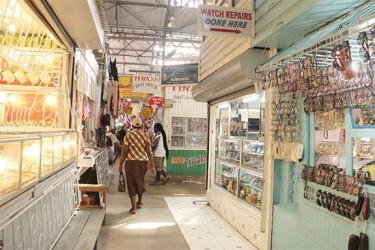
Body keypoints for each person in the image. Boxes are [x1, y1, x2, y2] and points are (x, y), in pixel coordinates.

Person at [119, 118, 155, 214]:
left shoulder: (128, 135)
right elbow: (149, 151)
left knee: (131, 183)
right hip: (143, 162)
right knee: (140, 180)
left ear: (132, 126)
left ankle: (133, 207)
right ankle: (139, 201)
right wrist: (152, 165)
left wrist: (120, 164)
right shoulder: (145, 135)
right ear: (141, 126)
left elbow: (124, 152)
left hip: (131, 162)